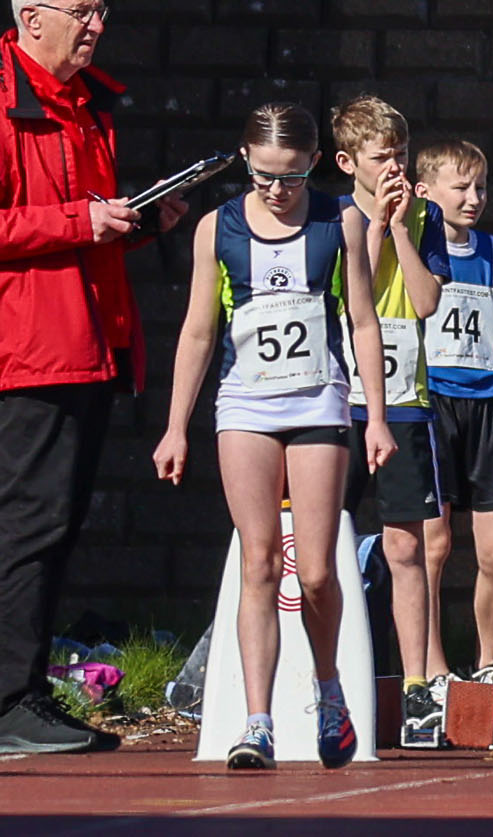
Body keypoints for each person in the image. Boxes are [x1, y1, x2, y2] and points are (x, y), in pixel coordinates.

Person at [153, 103, 396, 770]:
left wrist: (375, 416)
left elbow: (363, 321)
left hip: (319, 401)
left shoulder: (341, 221)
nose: (277, 189)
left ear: (313, 164)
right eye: (263, 176)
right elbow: (198, 330)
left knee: (315, 571)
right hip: (245, 406)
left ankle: (329, 688)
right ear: (245, 160)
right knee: (258, 562)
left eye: (291, 177)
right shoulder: (218, 227)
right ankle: (256, 722)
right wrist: (175, 427)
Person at [0, 1, 187, 755]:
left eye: (102, 10)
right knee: (28, 525)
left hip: (86, 342)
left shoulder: (83, 103)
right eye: (82, 10)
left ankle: (26, 692)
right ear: (32, 16)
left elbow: (80, 227)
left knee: (52, 524)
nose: (97, 25)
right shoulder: (10, 98)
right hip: (28, 348)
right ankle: (10, 700)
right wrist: (83, 220)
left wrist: (136, 223)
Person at [329, 94, 450, 747]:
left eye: (401, 154)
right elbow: (350, 294)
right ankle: (327, 677)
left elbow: (426, 300)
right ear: (349, 162)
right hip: (339, 400)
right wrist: (373, 226)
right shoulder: (332, 218)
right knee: (324, 543)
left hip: (405, 398)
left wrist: (401, 229)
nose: (395, 168)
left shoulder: (426, 216)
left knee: (407, 545)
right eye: (382, 157)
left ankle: (416, 687)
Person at [412, 140, 493, 716]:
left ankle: (488, 664)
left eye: (481, 187)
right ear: (426, 192)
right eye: (460, 187)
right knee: (434, 544)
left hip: (485, 402)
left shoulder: (491, 248)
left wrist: (490, 323)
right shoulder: (417, 245)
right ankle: (433, 667)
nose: (474, 198)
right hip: (433, 402)